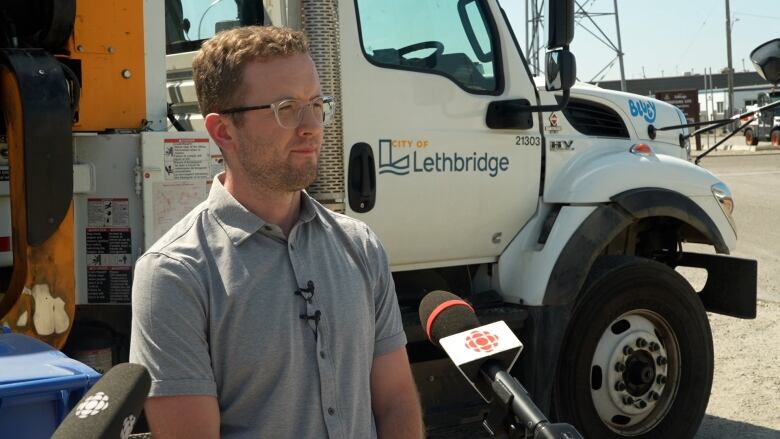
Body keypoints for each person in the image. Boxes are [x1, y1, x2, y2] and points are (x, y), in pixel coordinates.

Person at [129, 26, 424, 438]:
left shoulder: (360, 246)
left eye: (317, 105)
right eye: (287, 108)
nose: (312, 127)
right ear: (223, 130)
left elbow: (395, 403)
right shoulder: (175, 275)